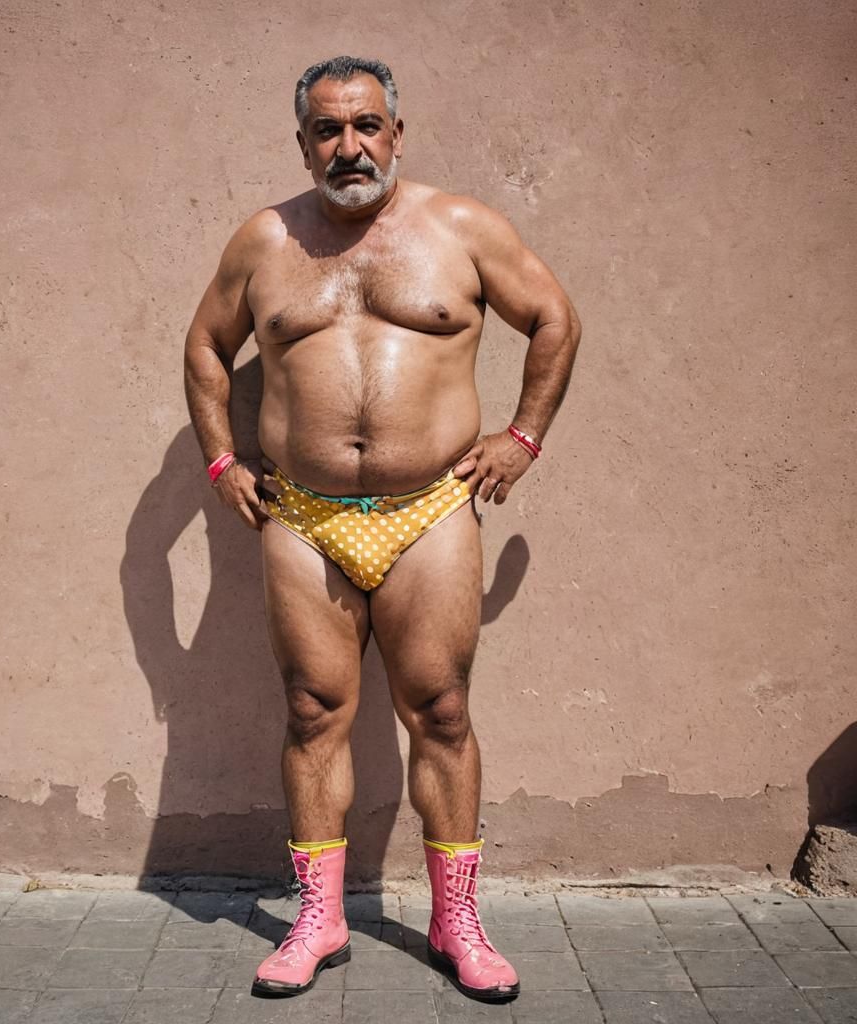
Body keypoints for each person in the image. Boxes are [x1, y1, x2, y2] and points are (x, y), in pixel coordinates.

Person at [183, 55, 581, 1002]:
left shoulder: (462, 228)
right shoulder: (265, 240)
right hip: (304, 515)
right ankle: (318, 920)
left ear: (396, 133)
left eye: (366, 125)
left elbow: (554, 319)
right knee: (312, 711)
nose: (349, 146)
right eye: (328, 129)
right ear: (303, 143)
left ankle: (456, 921)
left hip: (429, 509)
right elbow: (205, 346)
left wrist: (523, 437)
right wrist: (221, 461)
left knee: (441, 711)